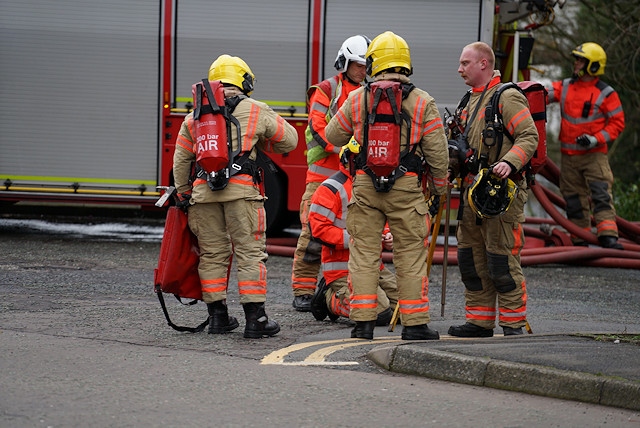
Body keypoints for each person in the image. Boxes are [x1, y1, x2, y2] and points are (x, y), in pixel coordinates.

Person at [325, 31, 449, 340]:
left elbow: (332, 135)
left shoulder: (358, 97)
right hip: (407, 188)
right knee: (410, 255)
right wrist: (440, 188)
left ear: (372, 63)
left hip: (366, 187)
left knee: (364, 255)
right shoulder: (422, 101)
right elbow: (438, 154)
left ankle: (363, 324)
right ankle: (415, 325)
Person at [172, 54, 298, 338]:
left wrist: (183, 194)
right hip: (242, 194)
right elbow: (289, 140)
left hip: (203, 196)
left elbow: (181, 161)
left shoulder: (193, 117)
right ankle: (256, 321)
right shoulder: (255, 109)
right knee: (250, 254)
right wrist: (258, 139)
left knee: (213, 255)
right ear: (243, 81)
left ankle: (218, 318)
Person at [447, 41, 538, 338]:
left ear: (483, 64)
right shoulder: (467, 101)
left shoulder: (507, 97)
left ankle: (513, 324)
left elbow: (528, 136)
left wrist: (509, 163)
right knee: (471, 259)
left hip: (502, 194)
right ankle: (479, 321)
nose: (459, 69)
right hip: (473, 193)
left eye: (465, 63)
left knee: (501, 259)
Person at [291, 35, 371, 312]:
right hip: (324, 175)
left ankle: (335, 287)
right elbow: (317, 127)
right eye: (359, 64)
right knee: (313, 233)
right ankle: (302, 290)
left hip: (355, 177)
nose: (364, 70)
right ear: (345, 62)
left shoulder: (369, 91)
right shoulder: (326, 89)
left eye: (366, 65)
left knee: (353, 232)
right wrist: (344, 149)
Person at [308, 139, 398, 325]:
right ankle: (329, 299)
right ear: (348, 160)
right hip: (341, 270)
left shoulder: (374, 186)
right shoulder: (330, 189)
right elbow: (318, 230)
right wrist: (357, 240)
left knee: (405, 310)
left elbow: (383, 219)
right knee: (378, 315)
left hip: (373, 266)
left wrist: (388, 236)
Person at [546, 42, 626, 250]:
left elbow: (618, 123)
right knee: (573, 199)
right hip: (569, 157)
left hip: (594, 155)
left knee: (600, 195)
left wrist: (596, 139)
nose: (576, 63)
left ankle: (608, 236)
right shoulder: (565, 87)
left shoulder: (606, 93)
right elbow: (542, 93)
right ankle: (579, 237)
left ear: (592, 66)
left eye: (581, 60)